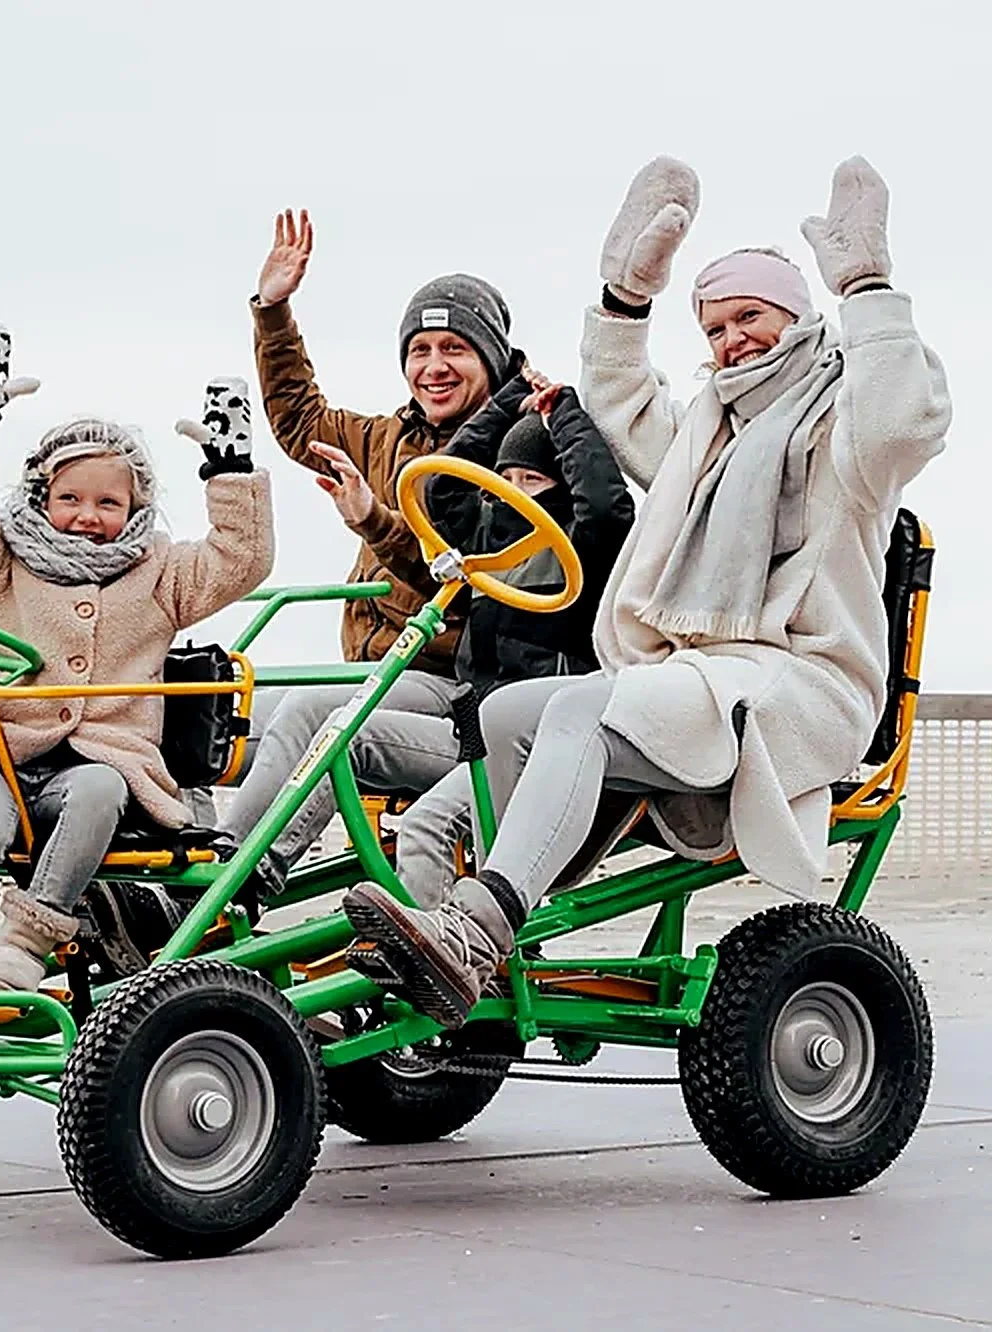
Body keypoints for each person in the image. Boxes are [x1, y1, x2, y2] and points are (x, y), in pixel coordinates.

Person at [344, 155, 953, 1026]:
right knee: (510, 715)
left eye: (751, 316)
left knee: (578, 711)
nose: (732, 340)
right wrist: (625, 297)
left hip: (799, 682)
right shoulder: (712, 430)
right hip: (696, 678)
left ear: (796, 317)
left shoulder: (837, 425)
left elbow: (905, 420)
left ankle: (481, 930)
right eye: (715, 327)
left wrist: (869, 288)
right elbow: (623, 399)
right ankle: (481, 921)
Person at [0, 323, 274, 990]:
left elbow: (240, 561)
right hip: (3, 754)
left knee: (101, 789)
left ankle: (29, 936)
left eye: (109, 502)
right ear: (42, 498)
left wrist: (229, 470)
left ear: (136, 506)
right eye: (70, 499)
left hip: (105, 767)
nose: (87, 515)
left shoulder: (160, 573)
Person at [217, 365, 634, 899]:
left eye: (531, 482)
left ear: (560, 487)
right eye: (506, 480)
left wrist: (565, 410)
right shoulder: (488, 534)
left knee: (382, 778)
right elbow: (439, 486)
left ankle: (437, 957)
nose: (514, 495)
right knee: (318, 713)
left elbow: (604, 506)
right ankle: (233, 857)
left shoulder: (584, 546)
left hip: (514, 735)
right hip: (466, 705)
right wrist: (509, 398)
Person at [203, 212, 521, 838]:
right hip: (369, 670)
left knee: (316, 718)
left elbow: (468, 573)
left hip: (445, 677)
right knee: (202, 715)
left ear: (492, 359)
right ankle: (166, 879)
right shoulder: (384, 438)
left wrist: (374, 521)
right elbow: (299, 420)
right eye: (420, 350)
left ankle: (232, 881)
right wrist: (273, 311)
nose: (434, 366)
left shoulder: (514, 452)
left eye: (455, 348)